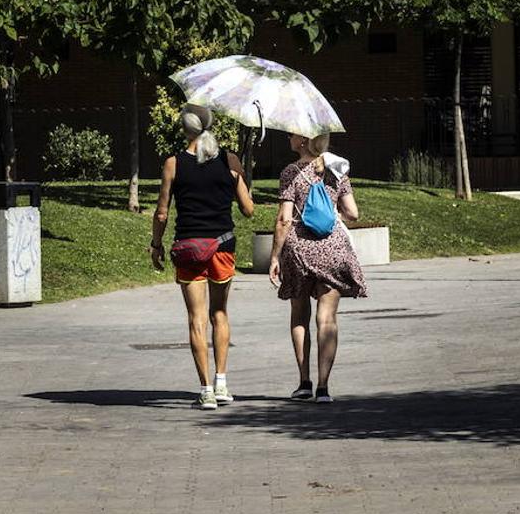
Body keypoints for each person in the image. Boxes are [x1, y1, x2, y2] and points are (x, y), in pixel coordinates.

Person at [151, 104, 254, 410]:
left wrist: (156, 244)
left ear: (185, 129)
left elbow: (161, 212)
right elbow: (248, 211)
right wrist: (242, 181)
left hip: (189, 247)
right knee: (219, 313)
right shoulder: (230, 160)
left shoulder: (173, 163)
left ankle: (206, 390)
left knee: (196, 319)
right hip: (222, 246)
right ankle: (222, 384)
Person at [268, 132, 366, 403]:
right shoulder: (337, 169)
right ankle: (323, 388)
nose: (289, 136)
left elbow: (284, 220)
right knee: (327, 319)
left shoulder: (290, 172)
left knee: (299, 315)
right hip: (331, 248)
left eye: (293, 134)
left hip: (299, 251)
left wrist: (274, 256)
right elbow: (353, 213)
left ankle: (304, 383)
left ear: (302, 141)